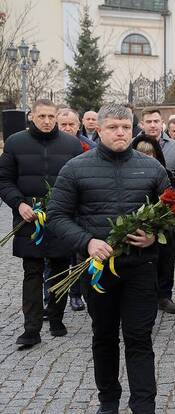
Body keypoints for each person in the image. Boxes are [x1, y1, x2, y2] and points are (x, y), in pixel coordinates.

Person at [48, 104, 170, 414]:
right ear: (98, 130)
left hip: (140, 269)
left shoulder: (152, 168)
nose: (120, 133)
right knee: (104, 336)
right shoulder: (75, 169)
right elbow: (57, 216)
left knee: (139, 338)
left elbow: (174, 215)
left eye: (126, 127)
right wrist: (87, 242)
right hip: (97, 270)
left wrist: (154, 236)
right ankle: (108, 398)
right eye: (114, 126)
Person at [0, 99, 82, 346]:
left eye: (51, 116)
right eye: (42, 116)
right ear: (31, 117)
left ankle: (56, 318)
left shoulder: (71, 144)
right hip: (28, 217)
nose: (47, 121)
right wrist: (19, 204)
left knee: (59, 269)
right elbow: (4, 180)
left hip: (61, 217)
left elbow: (80, 181)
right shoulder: (15, 143)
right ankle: (32, 328)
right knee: (32, 272)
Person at [131, 134, 175, 314]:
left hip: (163, 227)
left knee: (165, 261)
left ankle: (164, 295)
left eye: (150, 154)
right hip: (138, 226)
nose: (146, 157)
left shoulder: (164, 172)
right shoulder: (128, 173)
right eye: (141, 153)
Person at [55, 108, 93, 311]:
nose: (68, 128)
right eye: (63, 124)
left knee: (79, 255)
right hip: (59, 209)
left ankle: (76, 294)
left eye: (71, 124)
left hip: (82, 210)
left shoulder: (90, 146)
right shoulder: (50, 146)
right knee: (56, 258)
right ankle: (51, 297)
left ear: (79, 126)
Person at [139, 108, 175, 183]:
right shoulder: (131, 146)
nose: (152, 125)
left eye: (156, 121)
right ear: (142, 124)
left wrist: (174, 190)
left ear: (161, 123)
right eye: (148, 122)